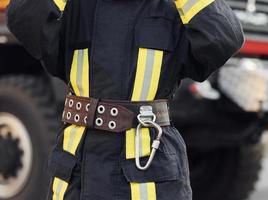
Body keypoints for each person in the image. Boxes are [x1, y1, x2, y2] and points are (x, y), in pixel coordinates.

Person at [7, 0, 244, 199]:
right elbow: (23, 16)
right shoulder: (76, 7)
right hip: (76, 173)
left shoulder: (170, 8)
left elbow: (224, 38)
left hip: (148, 173)